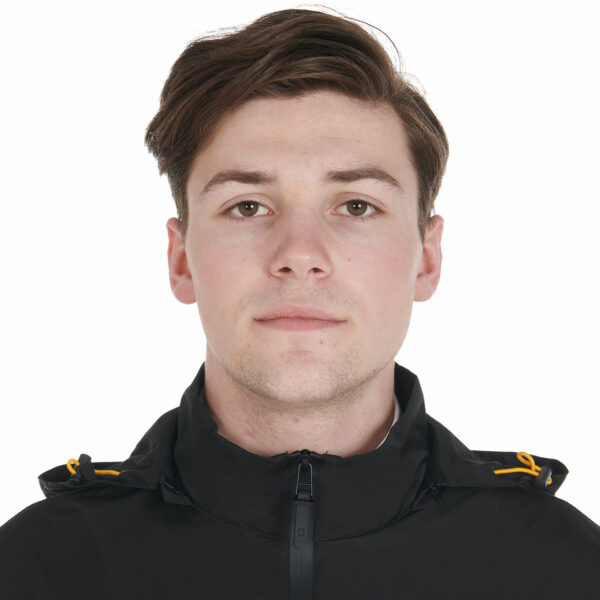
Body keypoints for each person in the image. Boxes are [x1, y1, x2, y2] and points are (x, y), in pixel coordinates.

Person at [1, 7, 598, 599]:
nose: (300, 254)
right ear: (181, 260)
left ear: (427, 258)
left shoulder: (567, 567)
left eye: (357, 206)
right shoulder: (36, 567)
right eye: (248, 207)